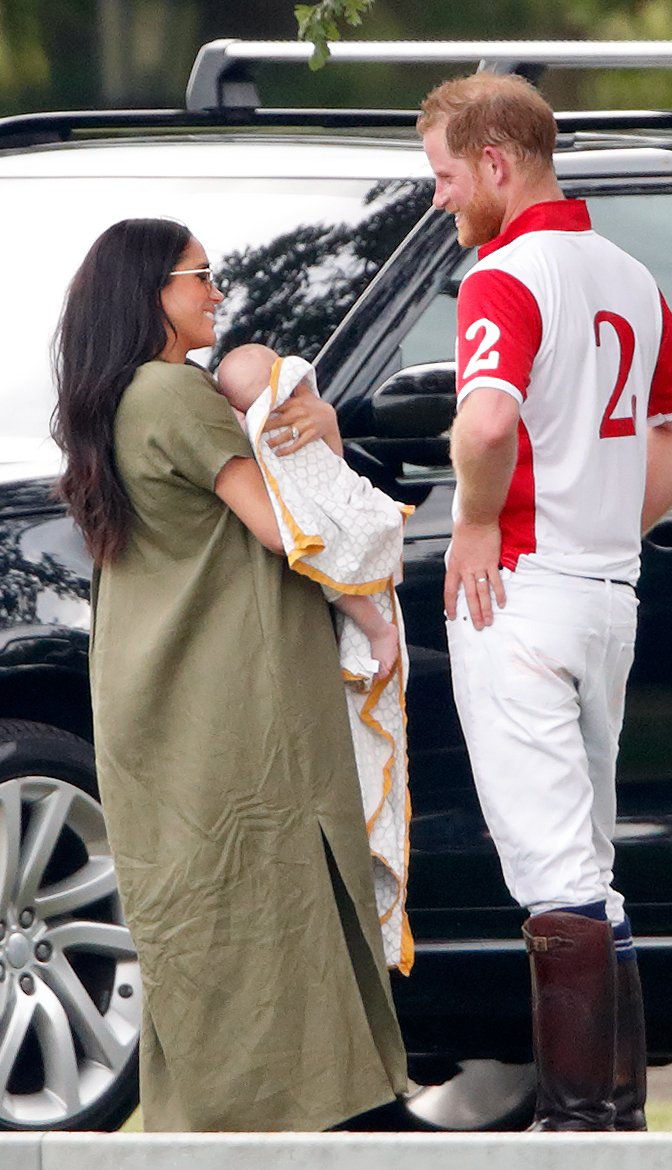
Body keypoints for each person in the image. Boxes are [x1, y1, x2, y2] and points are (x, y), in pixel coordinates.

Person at [50, 217, 407, 1132]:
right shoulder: (173, 393)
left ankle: (236, 1121)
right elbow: (288, 525)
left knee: (209, 911)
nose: (217, 292)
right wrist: (370, 604)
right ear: (149, 294)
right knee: (271, 900)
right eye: (198, 276)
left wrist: (314, 424)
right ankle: (318, 1118)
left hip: (162, 699)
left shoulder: (126, 400)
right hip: (229, 697)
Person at [418, 73, 672, 1131]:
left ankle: (581, 1124)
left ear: (496, 165)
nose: (443, 201)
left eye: (447, 178)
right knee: (587, 863)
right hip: (603, 593)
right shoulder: (624, 270)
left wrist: (471, 521)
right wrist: (611, 517)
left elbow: (487, 423)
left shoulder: (502, 276)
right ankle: (613, 1116)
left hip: (520, 591)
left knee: (553, 870)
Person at [216, 342, 414, 975]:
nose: (299, 403)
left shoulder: (308, 430)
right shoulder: (266, 452)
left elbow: (341, 498)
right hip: (347, 607)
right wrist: (375, 618)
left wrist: (330, 435)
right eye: (285, 394)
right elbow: (313, 540)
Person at [217, 342, 401, 681]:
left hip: (337, 514)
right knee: (328, 563)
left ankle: (378, 630)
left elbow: (331, 468)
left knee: (330, 562)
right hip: (312, 534)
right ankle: (377, 630)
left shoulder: (303, 414)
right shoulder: (249, 431)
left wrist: (327, 422)